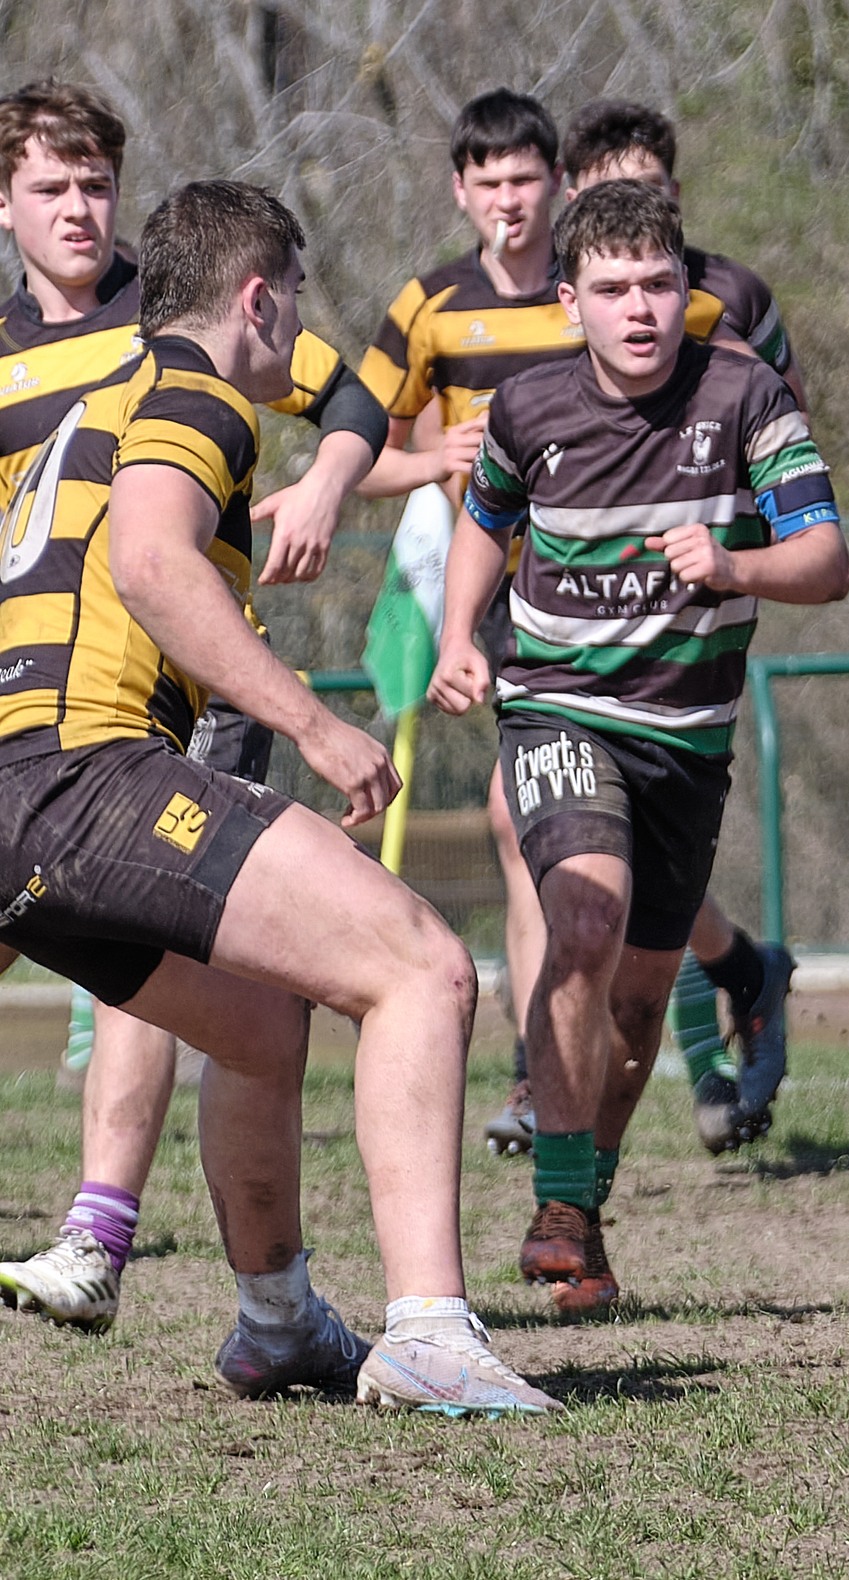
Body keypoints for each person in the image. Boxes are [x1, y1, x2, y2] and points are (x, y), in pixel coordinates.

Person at [0, 178, 553, 1413]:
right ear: (261, 298)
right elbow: (151, 562)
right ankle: (430, 1331)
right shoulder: (194, 390)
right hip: (83, 770)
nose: (299, 327)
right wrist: (315, 722)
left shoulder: (85, 405)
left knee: (257, 1021)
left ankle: (277, 1321)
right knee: (421, 963)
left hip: (17, 797)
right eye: (294, 298)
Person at [0, 80, 392, 1356]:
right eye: (50, 187)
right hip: (35, 702)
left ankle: (100, 1232)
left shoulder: (179, 317)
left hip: (184, 681)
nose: (76, 208)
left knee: (166, 959)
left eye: (94, 183)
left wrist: (328, 484)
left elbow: (348, 399)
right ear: (4, 204)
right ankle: (257, 1302)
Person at [428, 179, 849, 1315]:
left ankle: (585, 1209)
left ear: (685, 289)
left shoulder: (747, 395)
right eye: (611, 289)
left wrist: (734, 563)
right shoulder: (529, 407)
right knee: (584, 910)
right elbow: (486, 517)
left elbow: (826, 559)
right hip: (557, 705)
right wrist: (459, 633)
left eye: (657, 284)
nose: (638, 309)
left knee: (640, 998)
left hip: (687, 741)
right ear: (571, 301)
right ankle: (558, 1206)